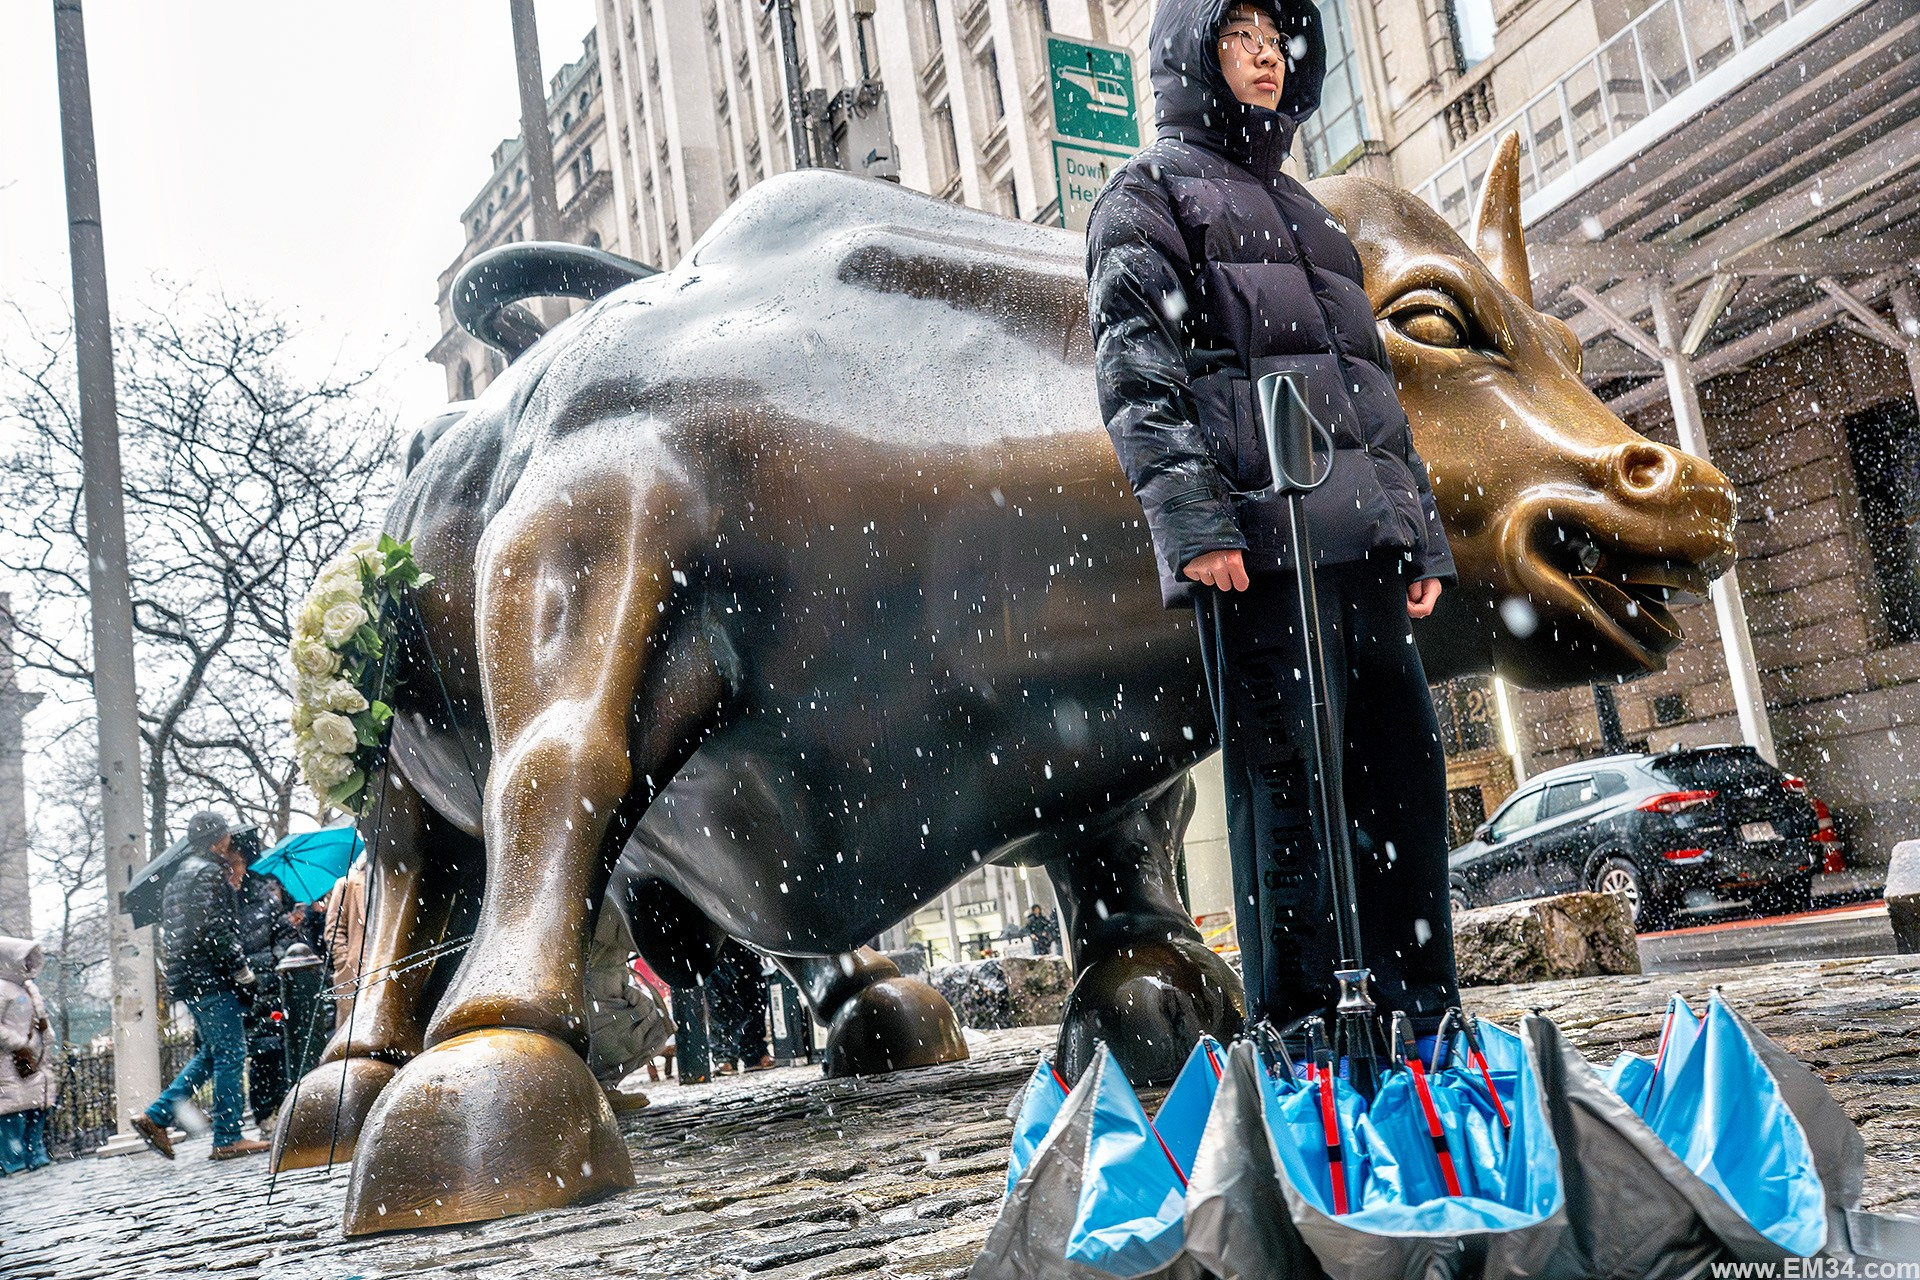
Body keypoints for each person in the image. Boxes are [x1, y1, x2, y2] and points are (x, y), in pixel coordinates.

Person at [1085, 0, 1461, 1040]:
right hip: (1259, 552)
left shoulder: (1317, 217)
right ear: (1191, 55)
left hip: (1363, 552)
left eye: (1272, 39)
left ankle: (1421, 1011)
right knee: (1288, 790)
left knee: (1401, 774)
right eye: (1236, 37)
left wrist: (1415, 529)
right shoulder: (1147, 194)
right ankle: (1302, 1025)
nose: (1261, 57)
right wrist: (1196, 524)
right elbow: (1136, 377)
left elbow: (1368, 390)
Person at [131, 810, 271, 1159]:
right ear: (220, 838)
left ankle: (156, 1115)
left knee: (212, 1053)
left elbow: (184, 931)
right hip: (211, 979)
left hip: (188, 979)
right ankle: (227, 1137)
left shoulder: (179, 876)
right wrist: (242, 972)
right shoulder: (209, 874)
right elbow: (216, 931)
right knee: (230, 1054)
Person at [237, 857, 302, 1133]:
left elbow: (284, 934)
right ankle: (265, 1112)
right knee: (261, 1050)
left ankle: (279, 1106)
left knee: (275, 1047)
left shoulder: (263, 898)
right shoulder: (225, 900)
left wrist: (276, 958)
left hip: (270, 983)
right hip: (246, 987)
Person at [0, 935, 56, 1174]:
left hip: (31, 1060)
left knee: (35, 1107)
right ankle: (15, 1162)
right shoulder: (4, 989)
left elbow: (40, 1019)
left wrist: (44, 1039)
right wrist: (19, 1043)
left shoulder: (28, 987)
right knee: (13, 1110)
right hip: (10, 1060)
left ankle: (34, 1156)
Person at [320, 851, 369, 1030]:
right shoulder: (347, 883)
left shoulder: (394, 883)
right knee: (352, 1034)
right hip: (355, 971)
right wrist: (344, 963)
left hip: (387, 969)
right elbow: (333, 930)